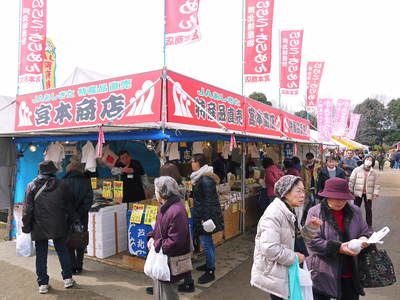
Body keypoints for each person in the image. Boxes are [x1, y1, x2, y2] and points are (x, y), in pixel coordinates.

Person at [250, 175, 322, 300]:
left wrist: (311, 227)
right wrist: (294, 257)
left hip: (288, 269)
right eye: (298, 191)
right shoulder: (273, 214)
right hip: (277, 273)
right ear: (285, 194)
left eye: (303, 190)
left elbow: (295, 238)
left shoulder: (289, 210)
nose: (302, 195)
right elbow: (269, 248)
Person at [305, 177, 371, 300]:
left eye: (343, 199)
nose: (340, 202)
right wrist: (339, 248)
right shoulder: (315, 212)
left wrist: (364, 239)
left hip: (350, 269)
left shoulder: (355, 211)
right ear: (327, 196)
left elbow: (365, 230)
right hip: (323, 271)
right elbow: (310, 240)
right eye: (336, 198)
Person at [22, 161, 75, 294]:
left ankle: (43, 284)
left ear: (40, 172)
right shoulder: (62, 184)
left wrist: (26, 226)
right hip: (58, 224)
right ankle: (68, 278)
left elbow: (27, 210)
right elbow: (69, 206)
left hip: (39, 225)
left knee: (41, 254)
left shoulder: (31, 185)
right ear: (53, 171)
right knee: (62, 251)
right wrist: (71, 221)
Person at [146, 163, 194, 295]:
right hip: (164, 259)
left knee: (168, 294)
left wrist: (156, 244)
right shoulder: (165, 206)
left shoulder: (176, 210)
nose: (155, 193)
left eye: (156, 190)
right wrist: (151, 237)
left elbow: (175, 240)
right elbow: (158, 229)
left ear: (162, 192)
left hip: (170, 261)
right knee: (161, 292)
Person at [190, 153, 224, 284]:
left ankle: (210, 270)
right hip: (202, 214)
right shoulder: (201, 177)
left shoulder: (205, 180)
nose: (191, 164)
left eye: (193, 161)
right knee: (206, 242)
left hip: (205, 217)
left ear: (198, 163)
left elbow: (209, 202)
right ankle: (208, 264)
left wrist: (206, 219)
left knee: (207, 243)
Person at [62, 159, 93, 275]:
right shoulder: (86, 182)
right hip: (82, 217)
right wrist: (79, 214)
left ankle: (72, 266)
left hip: (67, 217)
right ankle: (79, 266)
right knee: (81, 238)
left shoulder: (63, 182)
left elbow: (62, 202)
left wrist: (71, 213)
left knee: (69, 240)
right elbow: (89, 201)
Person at [348, 155, 380, 229]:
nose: (368, 161)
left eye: (370, 160)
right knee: (355, 208)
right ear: (364, 160)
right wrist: (350, 190)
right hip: (358, 193)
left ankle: (369, 225)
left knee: (368, 209)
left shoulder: (374, 172)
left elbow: (377, 183)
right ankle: (354, 223)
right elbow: (352, 180)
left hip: (368, 193)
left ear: (372, 162)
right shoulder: (357, 169)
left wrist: (376, 193)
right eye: (367, 159)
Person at [300, 152, 321, 224]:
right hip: (307, 186)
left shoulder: (318, 165)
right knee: (309, 201)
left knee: (314, 201)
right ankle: (307, 216)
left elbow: (320, 175)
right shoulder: (304, 166)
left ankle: (313, 216)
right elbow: (302, 177)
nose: (309, 161)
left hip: (315, 186)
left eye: (311, 159)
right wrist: (303, 187)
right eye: (308, 159)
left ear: (313, 158)